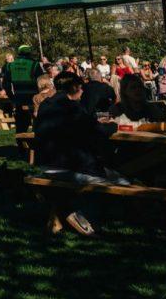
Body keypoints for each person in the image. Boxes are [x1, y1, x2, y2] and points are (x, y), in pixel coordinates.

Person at [33, 71, 121, 236]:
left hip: (45, 164)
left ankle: (60, 216)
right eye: (80, 88)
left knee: (70, 187)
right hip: (71, 166)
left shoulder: (45, 105)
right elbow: (99, 132)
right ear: (73, 87)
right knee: (120, 180)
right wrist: (113, 125)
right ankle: (87, 218)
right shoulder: (72, 107)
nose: (82, 92)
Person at [0, 44, 41, 133]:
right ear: (29, 53)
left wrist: (11, 97)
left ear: (18, 53)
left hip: (19, 98)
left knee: (21, 126)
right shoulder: (35, 64)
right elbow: (42, 82)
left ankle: (21, 145)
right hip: (33, 98)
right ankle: (36, 143)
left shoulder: (10, 66)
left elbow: (5, 84)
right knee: (37, 122)